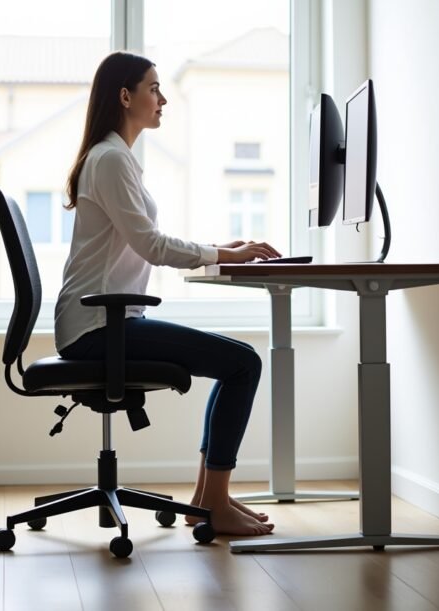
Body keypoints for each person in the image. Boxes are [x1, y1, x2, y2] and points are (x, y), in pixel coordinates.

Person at [55, 51, 279, 536]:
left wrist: (222, 250)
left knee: (236, 361)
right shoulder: (112, 159)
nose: (162, 99)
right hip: (100, 328)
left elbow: (147, 243)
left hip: (102, 323)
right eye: (154, 88)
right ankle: (214, 503)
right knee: (244, 363)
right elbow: (152, 246)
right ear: (125, 95)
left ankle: (207, 499)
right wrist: (225, 254)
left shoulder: (115, 157)